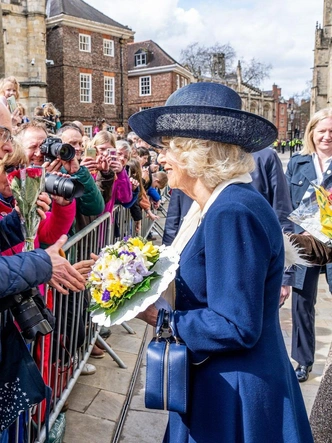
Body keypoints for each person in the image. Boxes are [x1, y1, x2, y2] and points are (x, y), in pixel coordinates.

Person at [128, 82, 313, 442]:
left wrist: (156, 315)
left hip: (235, 389)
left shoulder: (232, 211)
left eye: (168, 148)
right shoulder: (214, 205)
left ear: (197, 154)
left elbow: (236, 324)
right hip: (223, 379)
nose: (161, 158)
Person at [285, 107, 332, 383]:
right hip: (306, 243)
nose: (327, 137)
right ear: (311, 132)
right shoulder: (297, 162)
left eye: (331, 132)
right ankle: (303, 362)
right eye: (322, 131)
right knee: (302, 304)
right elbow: (289, 205)